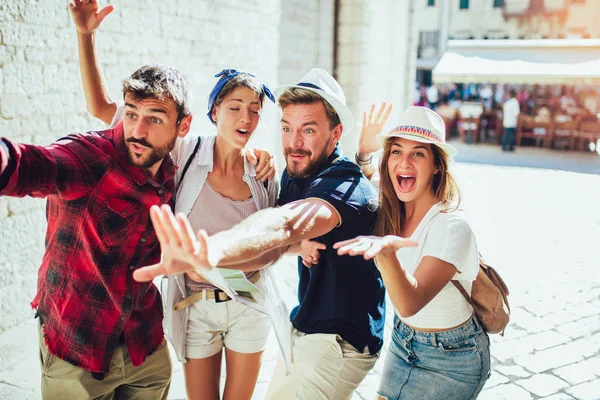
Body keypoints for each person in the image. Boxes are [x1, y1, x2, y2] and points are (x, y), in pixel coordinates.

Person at [69, 2, 288, 399]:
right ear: (213, 112)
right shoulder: (183, 152)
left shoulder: (262, 174)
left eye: (254, 111)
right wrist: (87, 37)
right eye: (235, 107)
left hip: (248, 303)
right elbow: (101, 107)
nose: (246, 118)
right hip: (196, 306)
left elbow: (271, 245)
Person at [133, 68, 386, 400]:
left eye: (308, 130)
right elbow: (274, 241)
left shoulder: (340, 183)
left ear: (336, 133)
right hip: (303, 326)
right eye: (286, 128)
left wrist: (210, 252)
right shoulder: (294, 171)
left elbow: (281, 225)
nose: (294, 142)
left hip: (341, 340)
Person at [0, 49, 191, 400]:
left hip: (144, 347)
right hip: (77, 348)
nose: (138, 130)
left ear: (183, 125)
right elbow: (35, 164)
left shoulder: (172, 171)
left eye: (155, 118)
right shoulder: (90, 157)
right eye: (131, 114)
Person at [336, 105, 491, 399]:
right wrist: (364, 153)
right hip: (404, 339)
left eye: (418, 153)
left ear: (436, 165)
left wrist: (385, 254)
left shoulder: (452, 226)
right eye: (396, 151)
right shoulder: (392, 204)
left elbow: (410, 302)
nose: (404, 162)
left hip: (453, 356)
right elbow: (365, 180)